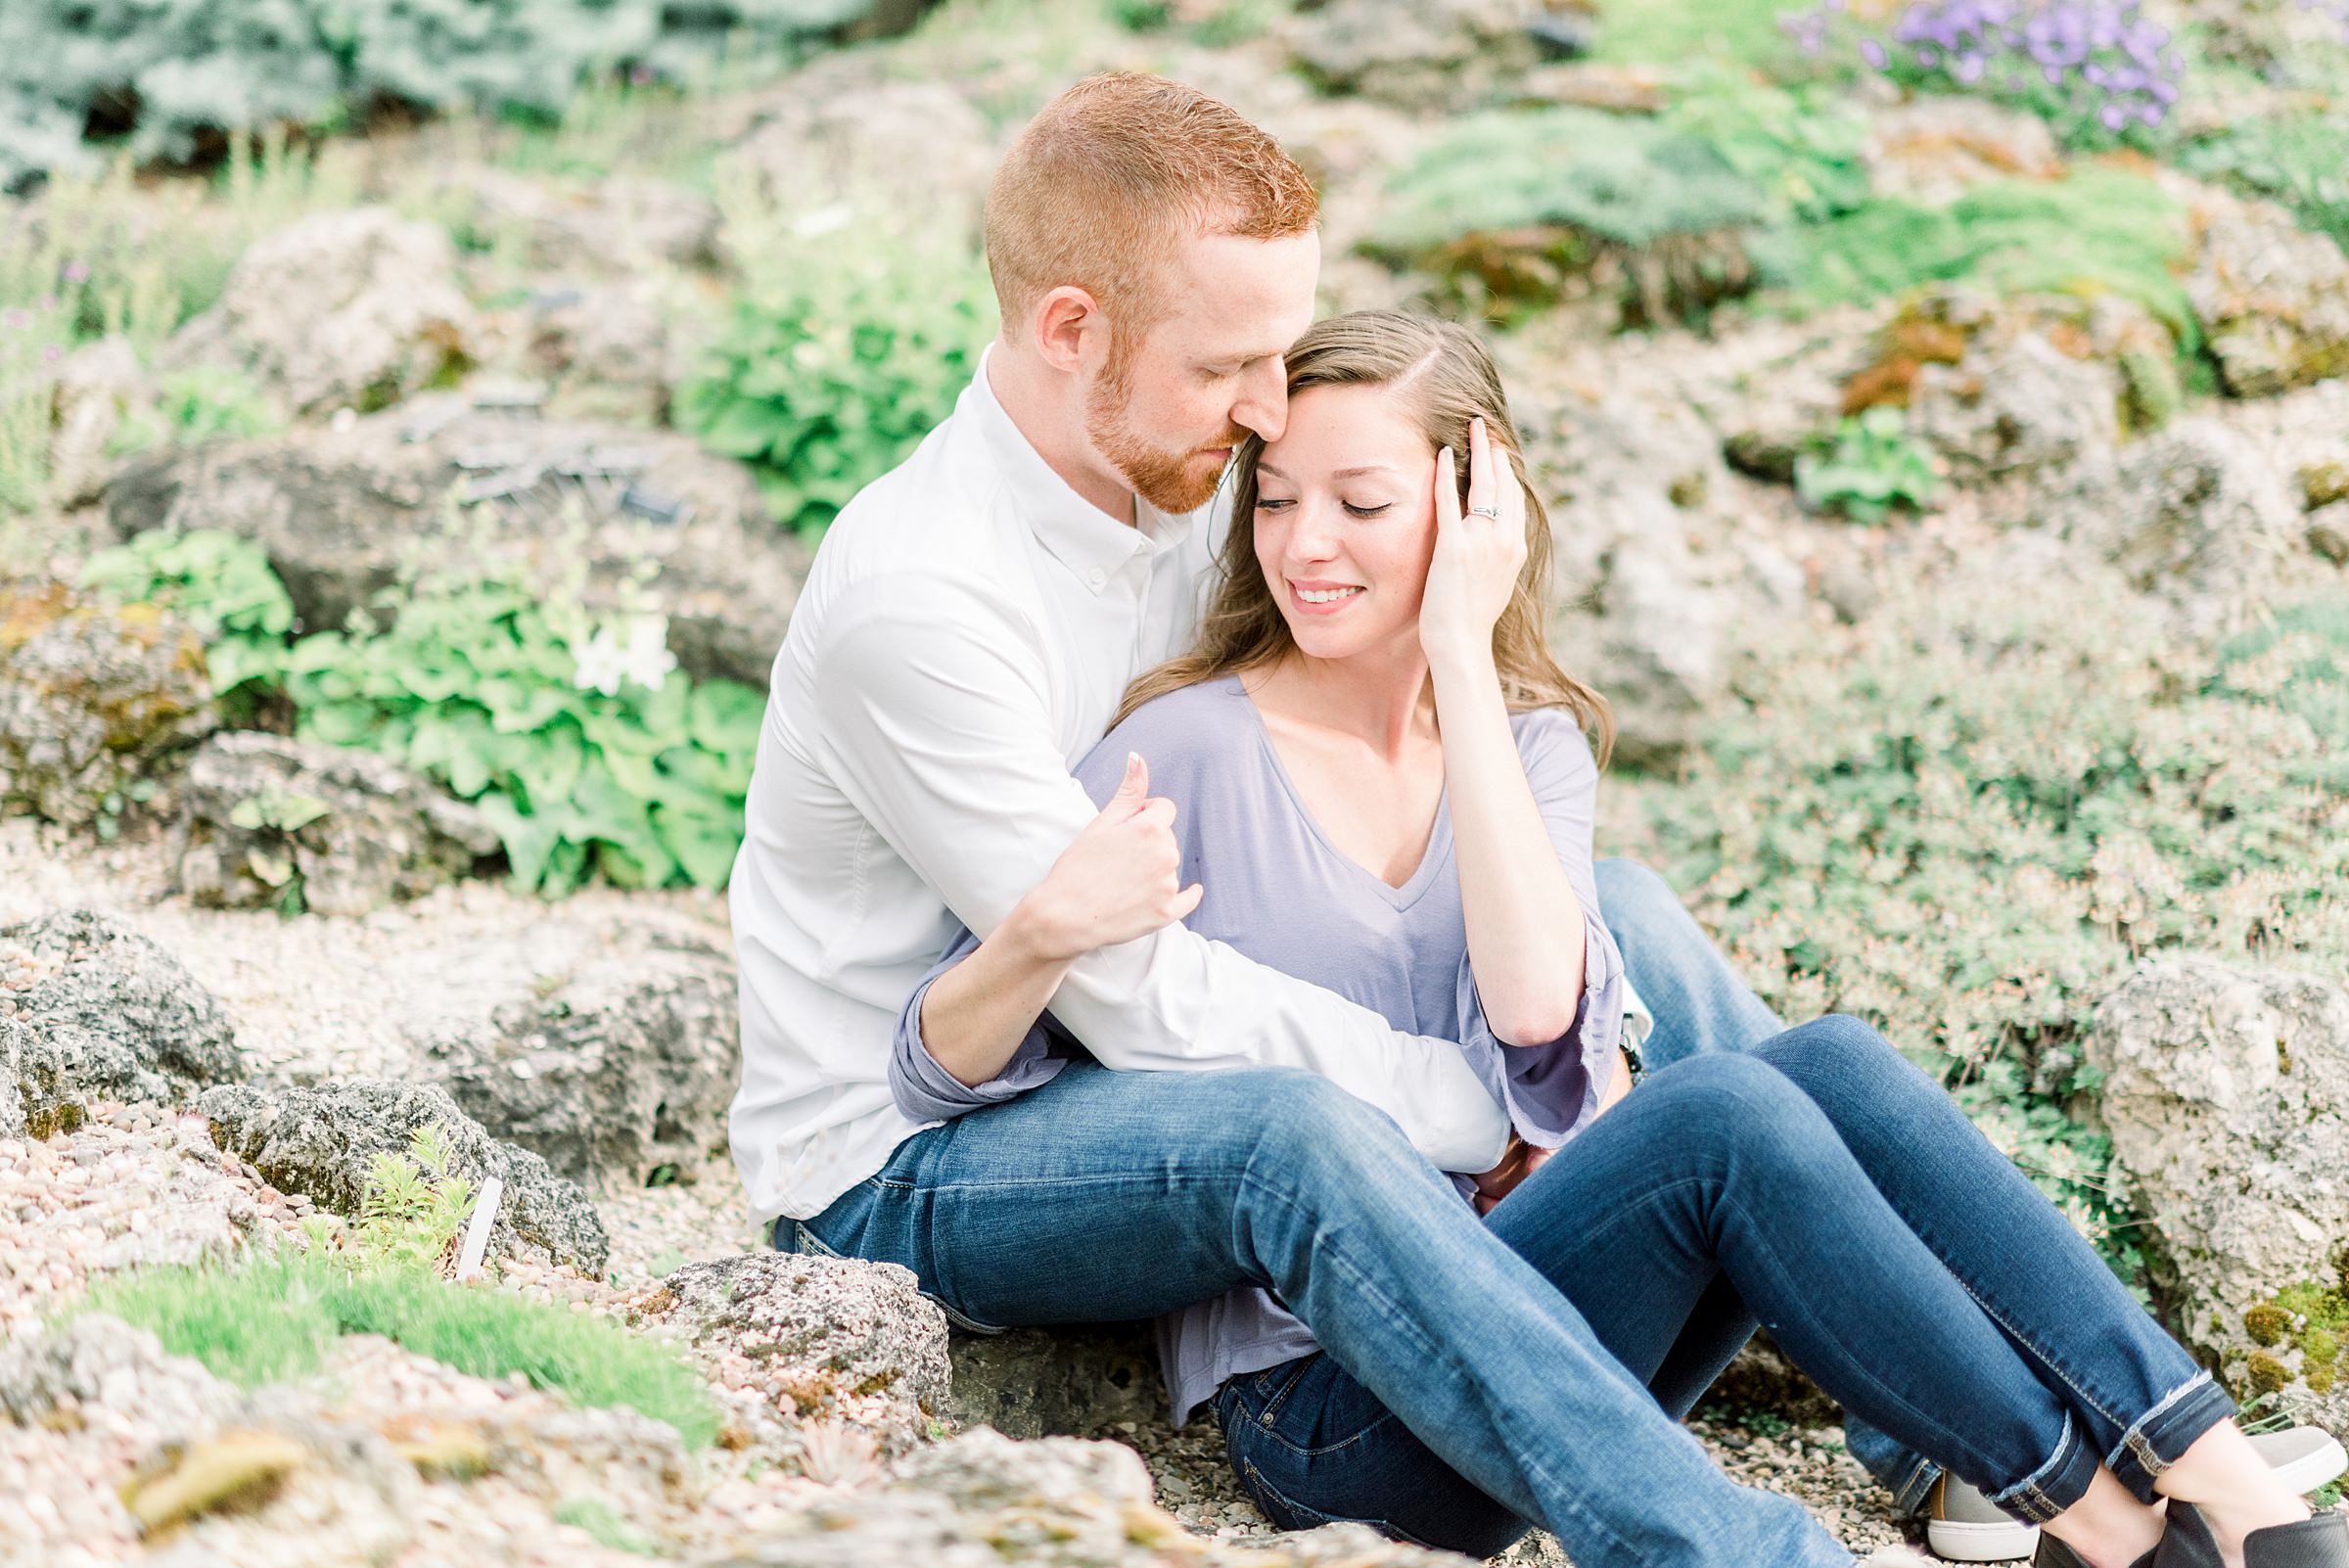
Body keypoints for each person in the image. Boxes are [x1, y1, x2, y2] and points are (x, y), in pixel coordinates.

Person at [720, 71, 2328, 1568]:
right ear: (1072, 328)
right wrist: (1493, 1113)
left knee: (1642, 943)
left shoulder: (1189, 461)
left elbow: (1369, 530)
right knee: (1323, 1128)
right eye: (1233, 371)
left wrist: (1467, 677)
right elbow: (1111, 1001)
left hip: (1141, 1016)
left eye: (1282, 364)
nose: (1274, 421)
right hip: (911, 1153)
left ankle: (2053, 1449)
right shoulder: (924, 600)